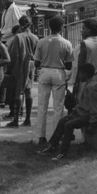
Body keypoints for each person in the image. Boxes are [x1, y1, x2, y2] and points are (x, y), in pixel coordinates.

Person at [38, 63, 97, 160]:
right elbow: (83, 104)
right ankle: (52, 146)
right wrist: (74, 111)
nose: (79, 76)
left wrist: (93, 122)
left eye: (81, 74)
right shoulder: (87, 85)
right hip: (80, 113)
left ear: (86, 74)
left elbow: (94, 107)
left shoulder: (91, 87)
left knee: (68, 125)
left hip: (87, 116)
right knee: (62, 121)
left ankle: (63, 153)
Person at [33, 15, 74, 146]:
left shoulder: (42, 41)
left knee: (42, 106)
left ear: (49, 27)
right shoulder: (66, 43)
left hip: (45, 71)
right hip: (59, 72)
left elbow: (36, 62)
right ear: (61, 27)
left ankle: (41, 136)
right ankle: (57, 136)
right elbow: (69, 64)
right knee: (58, 107)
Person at [6, 16, 39, 127]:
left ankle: (16, 119)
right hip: (31, 65)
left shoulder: (18, 37)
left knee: (18, 91)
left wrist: (10, 68)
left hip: (20, 64)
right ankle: (27, 119)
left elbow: (13, 54)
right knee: (28, 91)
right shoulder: (35, 37)